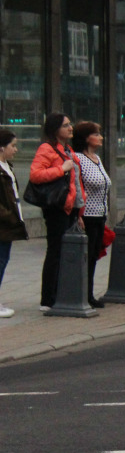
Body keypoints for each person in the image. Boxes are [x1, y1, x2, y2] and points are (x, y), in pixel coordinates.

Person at [29, 112, 86, 311]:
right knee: (55, 250)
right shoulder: (47, 149)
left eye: (71, 124)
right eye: (66, 125)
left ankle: (62, 293)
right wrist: (61, 169)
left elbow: (76, 184)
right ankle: (48, 298)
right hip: (56, 207)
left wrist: (79, 213)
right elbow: (35, 175)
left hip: (70, 207)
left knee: (66, 251)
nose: (71, 128)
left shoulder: (67, 149)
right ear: (55, 130)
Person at [71, 121, 111, 308]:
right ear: (86, 137)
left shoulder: (97, 158)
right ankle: (83, 294)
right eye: (96, 134)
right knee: (86, 256)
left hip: (100, 214)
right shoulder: (78, 158)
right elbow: (78, 187)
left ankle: (89, 293)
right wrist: (78, 214)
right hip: (86, 215)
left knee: (94, 254)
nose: (100, 137)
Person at [0, 129, 29, 318]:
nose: (16, 149)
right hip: (3, 224)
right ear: (2, 147)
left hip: (9, 225)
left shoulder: (7, 167)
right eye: (13, 145)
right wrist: (10, 216)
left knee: (3, 260)